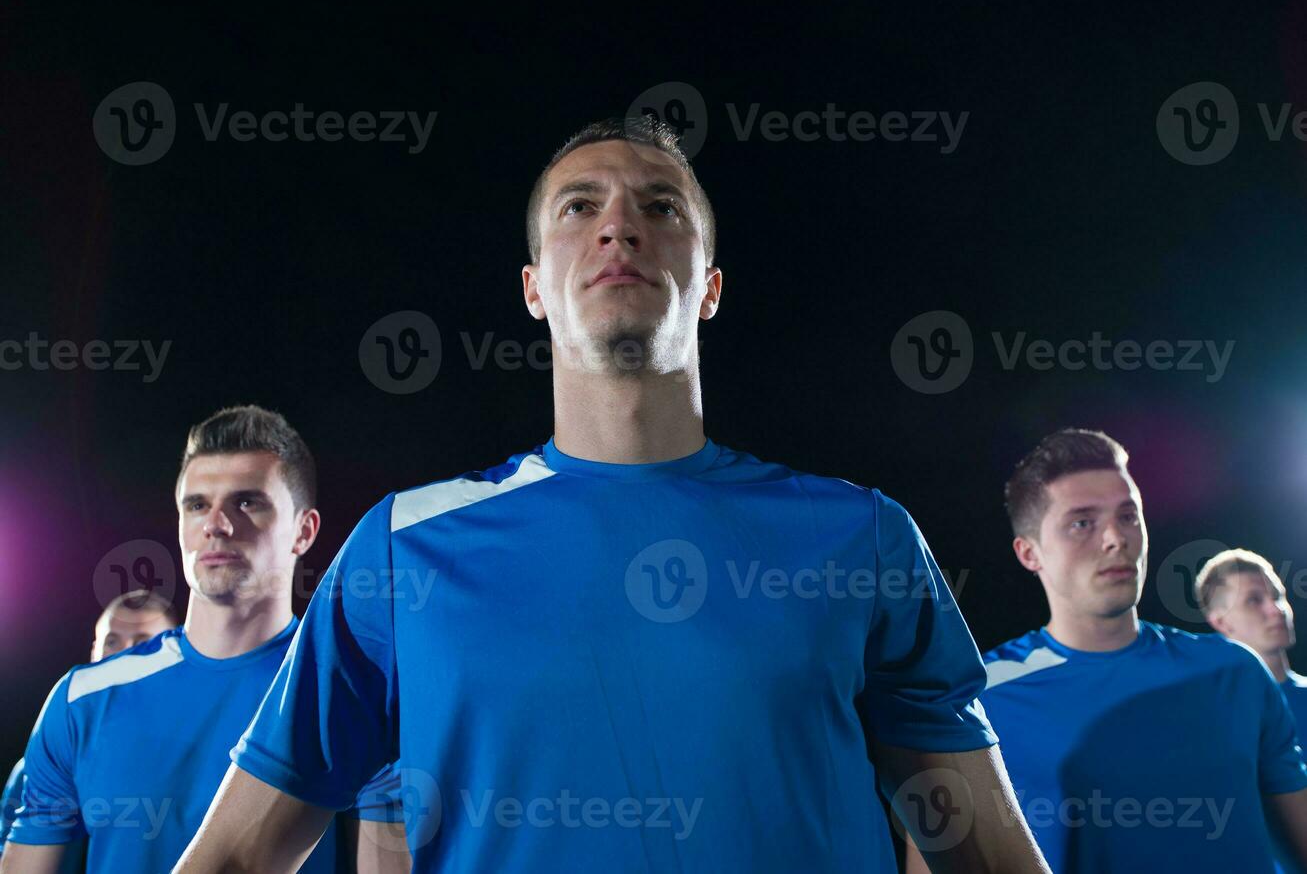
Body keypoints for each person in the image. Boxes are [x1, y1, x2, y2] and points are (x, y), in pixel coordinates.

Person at [175, 117, 1049, 872]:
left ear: (709, 288)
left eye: (660, 206)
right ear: (531, 288)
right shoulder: (403, 549)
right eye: (578, 206)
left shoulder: (859, 537)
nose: (618, 227)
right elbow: (239, 854)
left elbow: (985, 851)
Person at [0, 406, 401, 873]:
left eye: (247, 502)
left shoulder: (352, 693)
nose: (216, 523)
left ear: (304, 530)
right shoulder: (82, 699)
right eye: (197, 504)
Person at [908, 428, 1307, 871]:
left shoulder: (1235, 671)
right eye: (1083, 523)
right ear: (1029, 553)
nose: (1116, 538)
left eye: (1128, 516)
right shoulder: (977, 699)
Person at [0, 590, 177, 868]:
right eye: (112, 641)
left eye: (144, 643)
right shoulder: (38, 768)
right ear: (94, 650)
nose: (125, 654)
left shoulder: (199, 753)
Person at [1198, 546, 1307, 873]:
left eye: (1278, 595)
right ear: (1220, 622)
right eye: (1254, 600)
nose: (1276, 610)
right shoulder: (1212, 721)